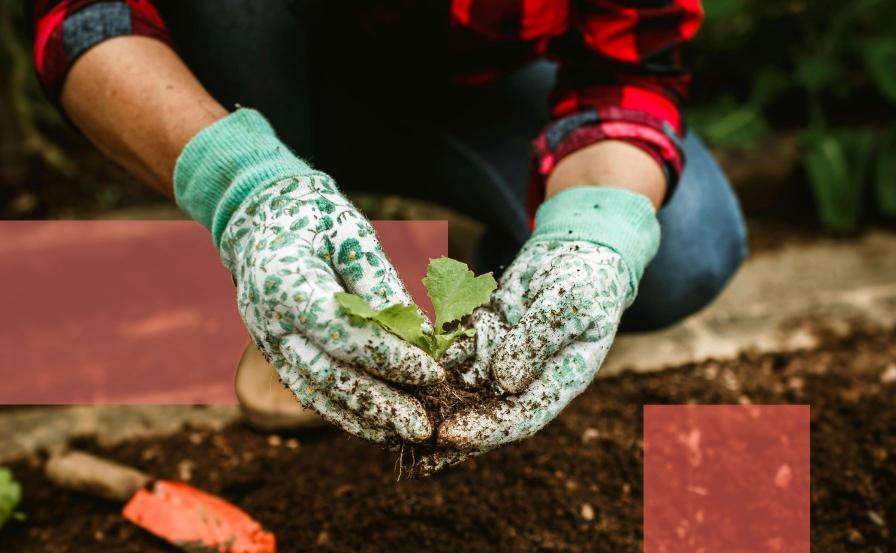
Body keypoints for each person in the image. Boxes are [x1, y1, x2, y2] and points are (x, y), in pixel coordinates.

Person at [26, 0, 745, 470]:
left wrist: (594, 236)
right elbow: (85, 19)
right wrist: (246, 191)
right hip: (240, 86)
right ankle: (291, 281)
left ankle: (489, 293)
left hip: (470, 92)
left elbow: (627, 68)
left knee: (681, 250)